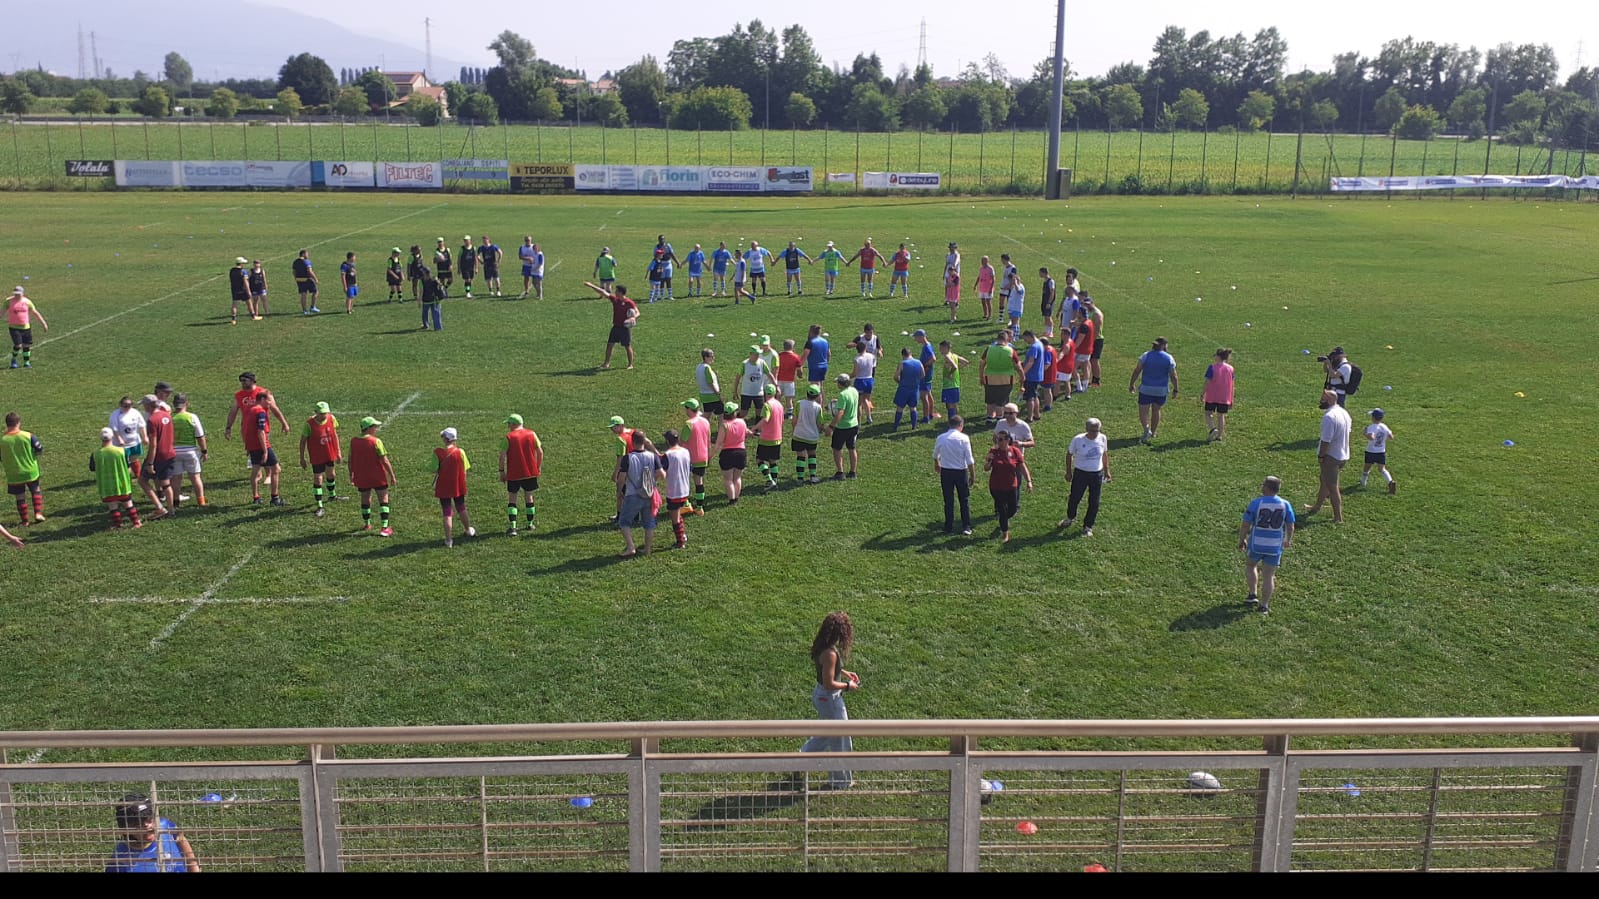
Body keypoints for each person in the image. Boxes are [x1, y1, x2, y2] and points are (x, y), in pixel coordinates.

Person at [800, 611, 859, 790]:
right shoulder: (830, 653)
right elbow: (829, 683)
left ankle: (800, 759)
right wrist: (848, 686)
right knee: (841, 738)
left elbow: (830, 670)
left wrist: (845, 673)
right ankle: (840, 781)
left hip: (823, 696)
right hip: (830, 699)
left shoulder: (824, 647)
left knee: (827, 733)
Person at [1239, 476, 1295, 615]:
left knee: (1251, 565)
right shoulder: (1285, 504)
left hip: (1257, 542)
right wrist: (1288, 539)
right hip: (1274, 546)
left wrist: (1242, 539)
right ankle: (1264, 605)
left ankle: (1253, 594)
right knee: (1269, 576)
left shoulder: (1257, 503)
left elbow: (1246, 524)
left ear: (1267, 488)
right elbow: (1290, 525)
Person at [105, 793, 199, 873]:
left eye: (149, 819)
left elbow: (180, 839)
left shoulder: (165, 826)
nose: (147, 826)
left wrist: (193, 866)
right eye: (137, 823)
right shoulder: (120, 862)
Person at [1304, 390, 1352, 522]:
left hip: (1331, 456)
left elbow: (1326, 440)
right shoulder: (1344, 413)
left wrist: (1321, 456)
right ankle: (1317, 507)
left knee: (1332, 486)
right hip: (1343, 454)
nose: (1320, 402)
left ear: (1330, 400)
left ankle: (1338, 517)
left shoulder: (1329, 417)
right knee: (1324, 480)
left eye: (1323, 399)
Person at [1059, 417, 1111, 537]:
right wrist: (1068, 471)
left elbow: (1104, 454)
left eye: (1097, 430)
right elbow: (1069, 454)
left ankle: (1088, 526)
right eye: (1092, 431)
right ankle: (1070, 517)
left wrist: (1107, 471)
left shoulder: (1102, 438)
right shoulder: (1078, 440)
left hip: (1096, 474)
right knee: (1075, 497)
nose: (1095, 433)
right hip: (1081, 473)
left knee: (1094, 501)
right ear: (1086, 429)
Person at [616, 430, 664, 557]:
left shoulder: (628, 458)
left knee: (624, 522)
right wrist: (650, 480)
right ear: (644, 441)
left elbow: (621, 479)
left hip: (633, 494)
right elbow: (661, 474)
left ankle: (631, 547)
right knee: (649, 523)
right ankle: (647, 550)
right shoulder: (652, 456)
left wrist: (620, 491)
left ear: (632, 442)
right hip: (649, 494)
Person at [349, 416, 396, 535]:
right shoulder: (376, 441)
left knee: (365, 498)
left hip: (362, 476)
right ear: (369, 428)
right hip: (377, 476)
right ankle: (385, 527)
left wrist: (351, 474)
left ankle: (367, 524)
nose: (376, 428)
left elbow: (350, 459)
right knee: (383, 499)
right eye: (374, 426)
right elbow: (384, 460)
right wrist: (392, 475)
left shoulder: (353, 441)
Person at [985, 429, 1032, 542]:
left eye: (1001, 439)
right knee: (1002, 509)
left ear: (1008, 440)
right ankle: (1005, 534)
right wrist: (989, 460)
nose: (998, 441)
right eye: (997, 439)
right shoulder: (993, 451)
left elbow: (1022, 467)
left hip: (1012, 486)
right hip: (996, 487)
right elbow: (986, 468)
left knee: (1012, 509)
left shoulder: (1015, 451)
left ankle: (1003, 521)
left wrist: (1029, 481)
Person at [90, 427, 142, 530]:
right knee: (128, 504)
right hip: (122, 482)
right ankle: (136, 523)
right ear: (112, 437)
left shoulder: (96, 453)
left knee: (112, 505)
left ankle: (117, 525)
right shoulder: (121, 451)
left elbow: (92, 468)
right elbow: (128, 466)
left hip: (106, 485)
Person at [1130, 337, 1179, 443]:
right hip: (1161, 390)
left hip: (1146, 388)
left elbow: (1137, 370)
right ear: (1164, 346)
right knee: (1156, 410)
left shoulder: (1146, 355)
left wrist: (1132, 383)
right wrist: (1176, 389)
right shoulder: (1169, 358)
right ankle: (1154, 431)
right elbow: (1173, 375)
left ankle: (1146, 429)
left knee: (1143, 411)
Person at [501, 413, 543, 536]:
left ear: (514, 424)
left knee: (512, 498)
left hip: (514, 473)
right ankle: (530, 524)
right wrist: (538, 467)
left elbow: (502, 456)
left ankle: (513, 527)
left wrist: (502, 471)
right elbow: (540, 452)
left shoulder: (508, 437)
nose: (508, 426)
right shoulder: (532, 434)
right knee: (529, 496)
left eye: (509, 423)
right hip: (530, 472)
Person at [431, 427, 475, 547]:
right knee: (461, 507)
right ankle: (467, 530)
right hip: (458, 485)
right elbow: (465, 469)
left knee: (447, 512)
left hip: (443, 486)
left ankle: (449, 540)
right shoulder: (460, 452)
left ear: (445, 439)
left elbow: (433, 468)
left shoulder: (438, 452)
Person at [933, 414, 976, 535]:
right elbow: (969, 459)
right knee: (964, 499)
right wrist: (972, 475)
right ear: (961, 425)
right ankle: (966, 526)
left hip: (946, 472)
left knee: (948, 500)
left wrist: (937, 463)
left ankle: (948, 526)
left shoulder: (941, 437)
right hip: (960, 472)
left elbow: (935, 454)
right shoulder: (964, 438)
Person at [1, 411, 45, 526]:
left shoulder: (3, 440)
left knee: (20, 497)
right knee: (36, 490)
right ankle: (38, 514)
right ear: (18, 423)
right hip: (30, 470)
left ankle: (25, 521)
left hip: (14, 473)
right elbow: (39, 449)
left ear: (6, 424)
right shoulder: (28, 436)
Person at [298, 401, 342, 518]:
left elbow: (334, 435)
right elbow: (303, 441)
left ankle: (332, 495)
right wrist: (302, 458)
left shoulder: (331, 419)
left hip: (329, 453)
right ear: (316, 413)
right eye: (322, 413)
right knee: (318, 479)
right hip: (317, 456)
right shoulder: (309, 424)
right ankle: (320, 505)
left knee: (331, 474)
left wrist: (338, 452)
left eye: (325, 413)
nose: (324, 415)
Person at [139, 396, 176, 518]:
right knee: (166, 483)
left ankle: (159, 507)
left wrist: (150, 463)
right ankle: (171, 510)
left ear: (149, 406)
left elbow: (153, 444)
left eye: (144, 405)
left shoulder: (152, 420)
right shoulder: (166, 415)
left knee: (142, 480)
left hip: (158, 456)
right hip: (170, 452)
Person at [243, 395, 283, 506]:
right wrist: (265, 451)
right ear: (262, 400)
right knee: (276, 469)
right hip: (261, 445)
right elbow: (260, 432)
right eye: (269, 400)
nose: (270, 403)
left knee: (255, 470)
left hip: (252, 445)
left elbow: (245, 428)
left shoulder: (250, 410)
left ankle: (256, 497)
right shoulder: (261, 412)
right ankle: (275, 498)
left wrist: (247, 445)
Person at [169, 393, 208, 507]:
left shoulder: (170, 417)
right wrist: (204, 451)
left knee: (176, 478)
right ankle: (201, 501)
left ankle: (175, 502)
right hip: (190, 451)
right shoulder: (191, 417)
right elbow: (200, 436)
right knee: (195, 477)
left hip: (174, 451)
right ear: (186, 403)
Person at [588, 281, 638, 370]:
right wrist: (591, 285)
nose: (615, 292)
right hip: (615, 327)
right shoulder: (615, 300)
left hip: (624, 328)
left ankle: (630, 364)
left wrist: (633, 318)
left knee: (627, 346)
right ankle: (606, 363)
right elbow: (603, 292)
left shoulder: (629, 302)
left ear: (621, 293)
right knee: (610, 345)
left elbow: (637, 312)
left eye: (617, 291)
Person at [660, 429, 694, 548]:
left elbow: (661, 470)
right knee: (678, 514)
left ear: (667, 441)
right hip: (685, 489)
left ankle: (680, 541)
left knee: (675, 518)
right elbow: (690, 468)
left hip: (674, 491)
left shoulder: (668, 455)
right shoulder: (685, 451)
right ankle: (682, 535)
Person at [710, 405, 749, 506]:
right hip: (741, 452)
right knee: (737, 478)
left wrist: (711, 455)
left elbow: (718, 443)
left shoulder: (724, 425)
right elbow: (746, 433)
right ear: (734, 413)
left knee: (728, 479)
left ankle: (731, 499)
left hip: (727, 454)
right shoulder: (742, 422)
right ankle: (736, 498)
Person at [978, 329, 1019, 423]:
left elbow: (982, 363)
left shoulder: (989, 349)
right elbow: (1017, 365)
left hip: (990, 378)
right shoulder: (1010, 350)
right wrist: (1022, 376)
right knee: (1001, 400)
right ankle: (999, 418)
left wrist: (981, 376)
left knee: (990, 399)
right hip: (1006, 379)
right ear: (1007, 339)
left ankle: (989, 417)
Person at [826, 372, 861, 479]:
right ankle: (853, 472)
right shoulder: (854, 390)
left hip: (843, 427)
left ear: (841, 384)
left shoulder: (842, 394)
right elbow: (851, 402)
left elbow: (840, 413)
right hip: (854, 425)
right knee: (852, 448)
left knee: (837, 449)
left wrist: (831, 426)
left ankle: (840, 472)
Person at [681, 399, 713, 509]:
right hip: (703, 456)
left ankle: (686, 505)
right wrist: (709, 456)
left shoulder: (689, 424)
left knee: (684, 481)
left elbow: (682, 442)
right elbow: (708, 440)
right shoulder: (706, 421)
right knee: (699, 482)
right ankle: (700, 507)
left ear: (689, 409)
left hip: (690, 458)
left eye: (685, 408)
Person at [6, 285, 47, 370]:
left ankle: (26, 362)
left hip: (25, 327)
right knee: (18, 345)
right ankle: (14, 360)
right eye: (15, 294)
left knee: (26, 345)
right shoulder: (9, 301)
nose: (17, 295)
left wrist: (43, 323)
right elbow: (1, 312)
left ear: (22, 293)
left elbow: (35, 313)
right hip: (14, 327)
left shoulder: (27, 302)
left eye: (19, 294)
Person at [792, 383, 826, 484]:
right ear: (817, 396)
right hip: (812, 437)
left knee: (800, 457)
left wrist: (794, 429)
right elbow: (819, 423)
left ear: (807, 393)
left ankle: (800, 478)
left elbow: (794, 420)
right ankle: (813, 476)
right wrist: (821, 430)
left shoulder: (799, 403)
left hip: (799, 435)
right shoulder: (818, 407)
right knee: (812, 455)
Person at [109, 394, 148, 482]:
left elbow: (142, 425)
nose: (127, 407)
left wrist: (145, 437)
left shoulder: (135, 412)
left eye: (129, 405)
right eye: (125, 405)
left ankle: (138, 475)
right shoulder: (116, 415)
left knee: (134, 458)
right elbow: (114, 429)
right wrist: (119, 440)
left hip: (135, 442)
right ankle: (125, 477)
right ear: (120, 405)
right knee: (124, 461)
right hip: (123, 444)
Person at [755, 383, 786, 489]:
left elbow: (765, 419)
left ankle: (769, 479)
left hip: (766, 438)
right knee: (773, 461)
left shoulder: (767, 405)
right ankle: (775, 481)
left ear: (764, 393)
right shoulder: (779, 405)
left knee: (759, 460)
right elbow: (782, 421)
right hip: (777, 437)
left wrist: (754, 428)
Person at [1202, 348, 1236, 442]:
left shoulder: (1212, 367)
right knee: (1221, 416)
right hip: (1224, 397)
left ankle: (1213, 429)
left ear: (1218, 357)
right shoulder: (1230, 369)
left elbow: (1207, 382)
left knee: (1208, 413)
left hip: (1212, 396)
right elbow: (1232, 385)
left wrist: (1202, 393)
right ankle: (1220, 435)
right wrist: (1231, 398)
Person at [1361, 408, 1397, 494]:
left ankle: (1363, 482)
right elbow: (1391, 437)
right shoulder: (1384, 426)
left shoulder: (1371, 427)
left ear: (1373, 418)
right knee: (1382, 469)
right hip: (1381, 452)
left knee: (1367, 467)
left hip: (1371, 451)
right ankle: (1390, 482)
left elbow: (1371, 437)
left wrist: (1365, 434)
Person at [892, 347, 925, 430]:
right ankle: (914, 426)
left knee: (900, 408)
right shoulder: (919, 362)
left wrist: (900, 382)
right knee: (913, 408)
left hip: (903, 389)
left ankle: (896, 426)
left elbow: (895, 376)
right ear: (911, 354)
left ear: (903, 355)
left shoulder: (903, 363)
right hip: (914, 388)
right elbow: (923, 374)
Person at [737, 345, 776, 415]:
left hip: (759, 393)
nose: (758, 356)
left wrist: (776, 385)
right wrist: (735, 391)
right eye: (756, 354)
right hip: (746, 393)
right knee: (744, 412)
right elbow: (737, 378)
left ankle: (757, 425)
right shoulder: (744, 364)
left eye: (758, 354)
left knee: (759, 412)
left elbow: (769, 374)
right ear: (750, 354)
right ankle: (735, 422)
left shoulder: (762, 363)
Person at [1019, 330, 1048, 422]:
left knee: (1029, 397)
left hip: (1031, 376)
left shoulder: (1034, 347)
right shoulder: (1040, 344)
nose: (1025, 341)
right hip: (1038, 375)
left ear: (1030, 336)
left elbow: (1031, 361)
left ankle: (1030, 417)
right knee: (1035, 396)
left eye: (1025, 339)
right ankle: (1037, 415)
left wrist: (1023, 373)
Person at [938, 340, 969, 420]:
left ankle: (952, 422)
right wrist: (958, 369)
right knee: (954, 404)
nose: (940, 350)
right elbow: (966, 362)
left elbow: (954, 366)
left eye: (941, 348)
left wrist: (950, 373)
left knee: (949, 405)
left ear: (946, 348)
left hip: (949, 385)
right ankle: (956, 421)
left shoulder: (947, 356)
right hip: (956, 384)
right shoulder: (954, 355)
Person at [914, 329, 939, 425]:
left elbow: (933, 359)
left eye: (916, 337)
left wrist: (925, 366)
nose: (915, 340)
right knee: (929, 394)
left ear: (921, 337)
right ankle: (930, 414)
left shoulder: (927, 347)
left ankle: (926, 417)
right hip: (928, 375)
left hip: (925, 376)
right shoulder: (928, 345)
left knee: (924, 397)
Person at [851, 340, 879, 425]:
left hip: (860, 381)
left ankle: (858, 422)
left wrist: (848, 376)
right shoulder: (871, 356)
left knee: (859, 403)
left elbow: (855, 373)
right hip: (869, 380)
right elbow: (873, 366)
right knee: (866, 400)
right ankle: (869, 417)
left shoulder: (857, 359)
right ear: (865, 348)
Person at [694, 348, 724, 418]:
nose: (713, 358)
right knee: (721, 415)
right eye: (711, 356)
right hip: (712, 396)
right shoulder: (707, 368)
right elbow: (710, 383)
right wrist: (719, 395)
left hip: (704, 395)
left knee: (706, 415)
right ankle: (720, 429)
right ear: (705, 357)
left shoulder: (698, 367)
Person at [776, 338, 802, 418]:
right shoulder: (796, 357)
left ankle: (777, 412)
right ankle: (789, 413)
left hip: (779, 380)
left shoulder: (778, 356)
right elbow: (799, 370)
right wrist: (800, 375)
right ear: (793, 347)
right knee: (789, 399)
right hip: (790, 381)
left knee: (778, 397)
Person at [798, 324, 830, 388]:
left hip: (815, 367)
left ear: (811, 332)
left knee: (815, 388)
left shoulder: (810, 342)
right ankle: (822, 398)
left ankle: (818, 398)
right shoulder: (825, 341)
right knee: (821, 386)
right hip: (824, 366)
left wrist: (800, 367)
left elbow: (805, 356)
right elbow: (829, 354)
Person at [1084, 295, 1106, 387]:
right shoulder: (1089, 311)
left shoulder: (1097, 314)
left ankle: (1096, 380)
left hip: (1096, 339)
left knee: (1094, 360)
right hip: (1090, 338)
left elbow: (1097, 330)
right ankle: (1089, 378)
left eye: (1088, 304)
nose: (1087, 306)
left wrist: (1091, 341)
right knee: (1089, 359)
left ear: (1093, 303)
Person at [1003, 257, 1026, 340]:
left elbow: (1019, 291)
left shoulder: (1020, 287)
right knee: (1013, 322)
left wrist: (1015, 283)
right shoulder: (1013, 287)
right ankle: (1013, 336)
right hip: (1012, 307)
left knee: (1015, 323)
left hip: (1017, 308)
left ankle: (1015, 337)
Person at [292, 248, 320, 314]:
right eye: (307, 254)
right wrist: (315, 279)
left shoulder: (295, 262)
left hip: (299, 280)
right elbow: (310, 271)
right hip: (307, 279)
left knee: (303, 294)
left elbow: (294, 271)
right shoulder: (306, 261)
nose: (308, 255)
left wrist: (296, 278)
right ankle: (312, 307)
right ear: (303, 254)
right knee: (315, 292)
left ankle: (304, 310)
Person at [653, 234, 681, 300]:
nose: (662, 240)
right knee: (662, 280)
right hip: (661, 264)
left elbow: (672, 254)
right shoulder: (657, 247)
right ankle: (662, 295)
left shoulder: (668, 246)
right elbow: (655, 257)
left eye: (663, 239)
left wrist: (678, 262)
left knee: (668, 279)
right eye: (660, 239)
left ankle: (670, 295)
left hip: (668, 264)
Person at [227, 257, 253, 325]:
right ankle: (253, 316)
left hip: (235, 289)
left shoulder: (232, 270)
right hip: (243, 290)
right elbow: (246, 282)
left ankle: (233, 319)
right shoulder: (243, 271)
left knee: (234, 304)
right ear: (241, 263)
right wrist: (249, 291)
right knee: (249, 302)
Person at [1038, 267, 1057, 338]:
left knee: (1048, 316)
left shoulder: (1051, 281)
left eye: (1040, 273)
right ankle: (1046, 331)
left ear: (1044, 273)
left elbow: (1052, 292)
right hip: (1044, 300)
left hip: (1048, 302)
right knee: (1045, 316)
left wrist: (1049, 302)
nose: (1039, 274)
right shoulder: (1045, 281)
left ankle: (1051, 331)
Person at [976, 255, 996, 321]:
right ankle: (985, 314)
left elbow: (993, 279)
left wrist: (991, 288)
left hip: (988, 288)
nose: (982, 262)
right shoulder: (981, 268)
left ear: (987, 261)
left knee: (988, 302)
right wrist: (976, 285)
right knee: (983, 301)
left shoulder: (990, 268)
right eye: (982, 260)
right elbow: (979, 277)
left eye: (983, 260)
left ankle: (990, 316)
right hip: (982, 287)